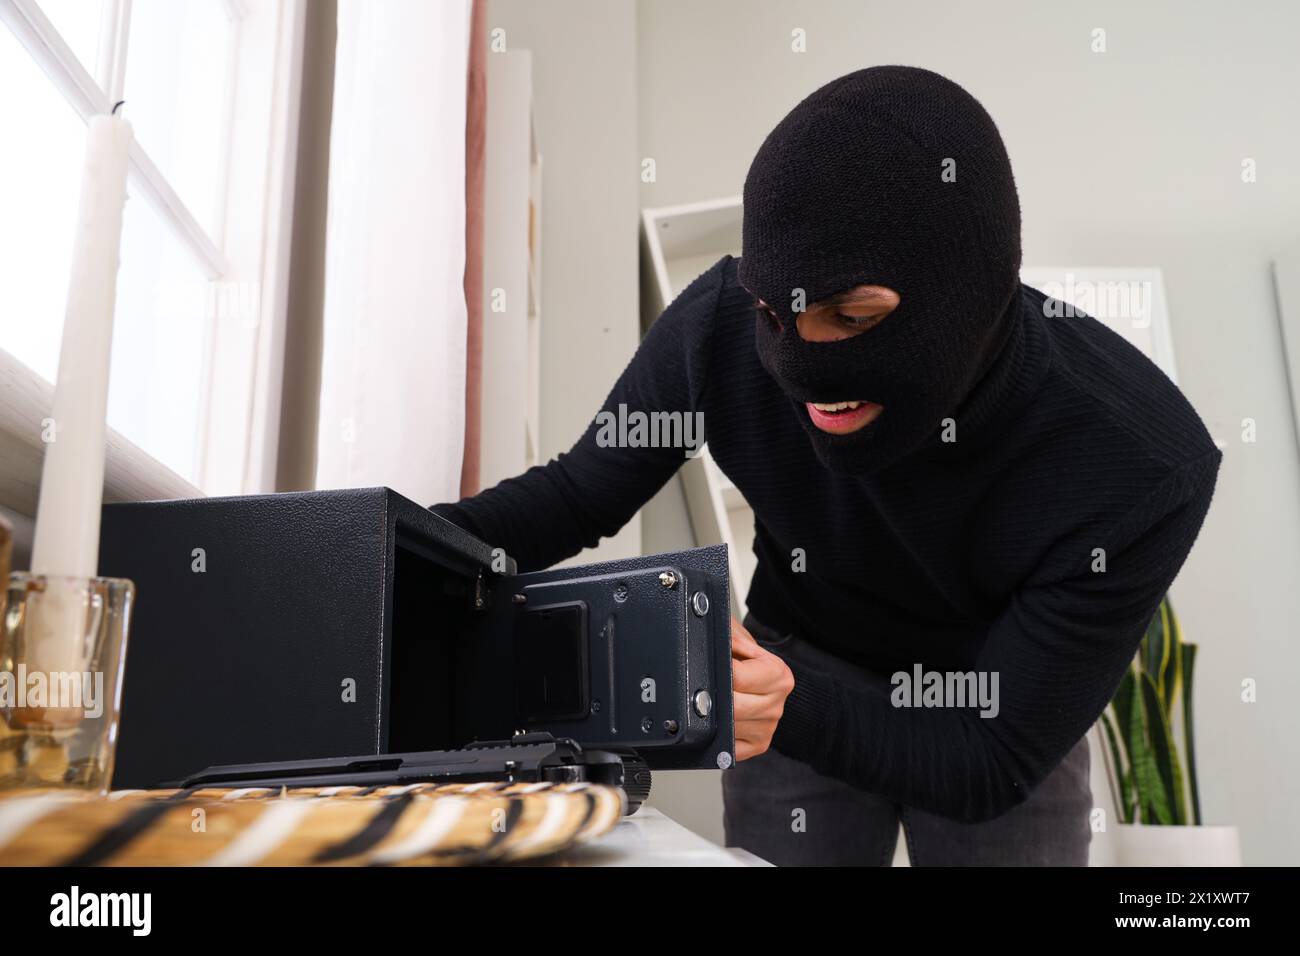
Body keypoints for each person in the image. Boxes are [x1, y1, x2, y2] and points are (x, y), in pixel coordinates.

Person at [431, 65, 1220, 865]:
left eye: (850, 316)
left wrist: (795, 710)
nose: (803, 367)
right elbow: (575, 497)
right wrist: (381, 547)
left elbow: (992, 759)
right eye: (777, 314)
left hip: (991, 699)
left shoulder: (1140, 461)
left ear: (969, 287)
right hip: (799, 656)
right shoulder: (721, 325)